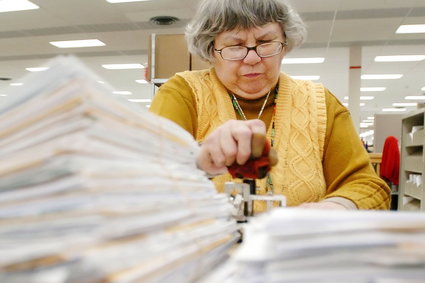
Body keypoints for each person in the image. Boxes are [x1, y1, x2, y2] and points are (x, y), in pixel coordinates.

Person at [150, 0, 391, 211]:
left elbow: (368, 186)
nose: (252, 58)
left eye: (265, 42)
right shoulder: (183, 93)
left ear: (285, 44)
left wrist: (337, 206)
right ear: (211, 50)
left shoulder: (320, 102)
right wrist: (198, 157)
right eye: (235, 46)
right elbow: (140, 177)